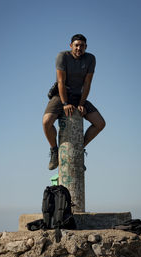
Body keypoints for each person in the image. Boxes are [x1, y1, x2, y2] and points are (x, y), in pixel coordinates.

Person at [43, 34, 105, 170]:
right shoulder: (62, 56)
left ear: (86, 47)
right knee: (46, 121)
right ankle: (54, 150)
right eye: (76, 45)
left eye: (82, 46)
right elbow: (60, 82)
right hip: (61, 95)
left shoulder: (90, 59)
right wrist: (65, 104)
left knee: (100, 123)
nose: (79, 48)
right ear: (71, 46)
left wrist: (81, 104)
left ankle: (78, 149)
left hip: (78, 97)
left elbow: (87, 83)